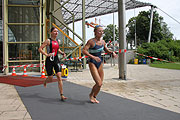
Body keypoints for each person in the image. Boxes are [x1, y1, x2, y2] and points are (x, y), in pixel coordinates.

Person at [82, 25, 117, 103]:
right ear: (95, 32)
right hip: (92, 62)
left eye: (102, 31)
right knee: (98, 82)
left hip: (100, 62)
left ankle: (93, 96)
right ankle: (91, 95)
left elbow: (106, 50)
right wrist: (93, 57)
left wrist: (112, 53)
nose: (101, 33)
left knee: (100, 84)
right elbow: (84, 51)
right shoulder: (91, 41)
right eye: (99, 31)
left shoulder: (103, 42)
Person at [38, 27, 67, 101]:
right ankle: (45, 81)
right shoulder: (48, 41)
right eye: (54, 31)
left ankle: (62, 95)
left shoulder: (58, 41)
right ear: (51, 33)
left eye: (57, 31)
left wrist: (62, 53)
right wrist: (46, 54)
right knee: (50, 78)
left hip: (56, 60)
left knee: (59, 76)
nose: (56, 33)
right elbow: (40, 49)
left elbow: (58, 49)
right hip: (49, 60)